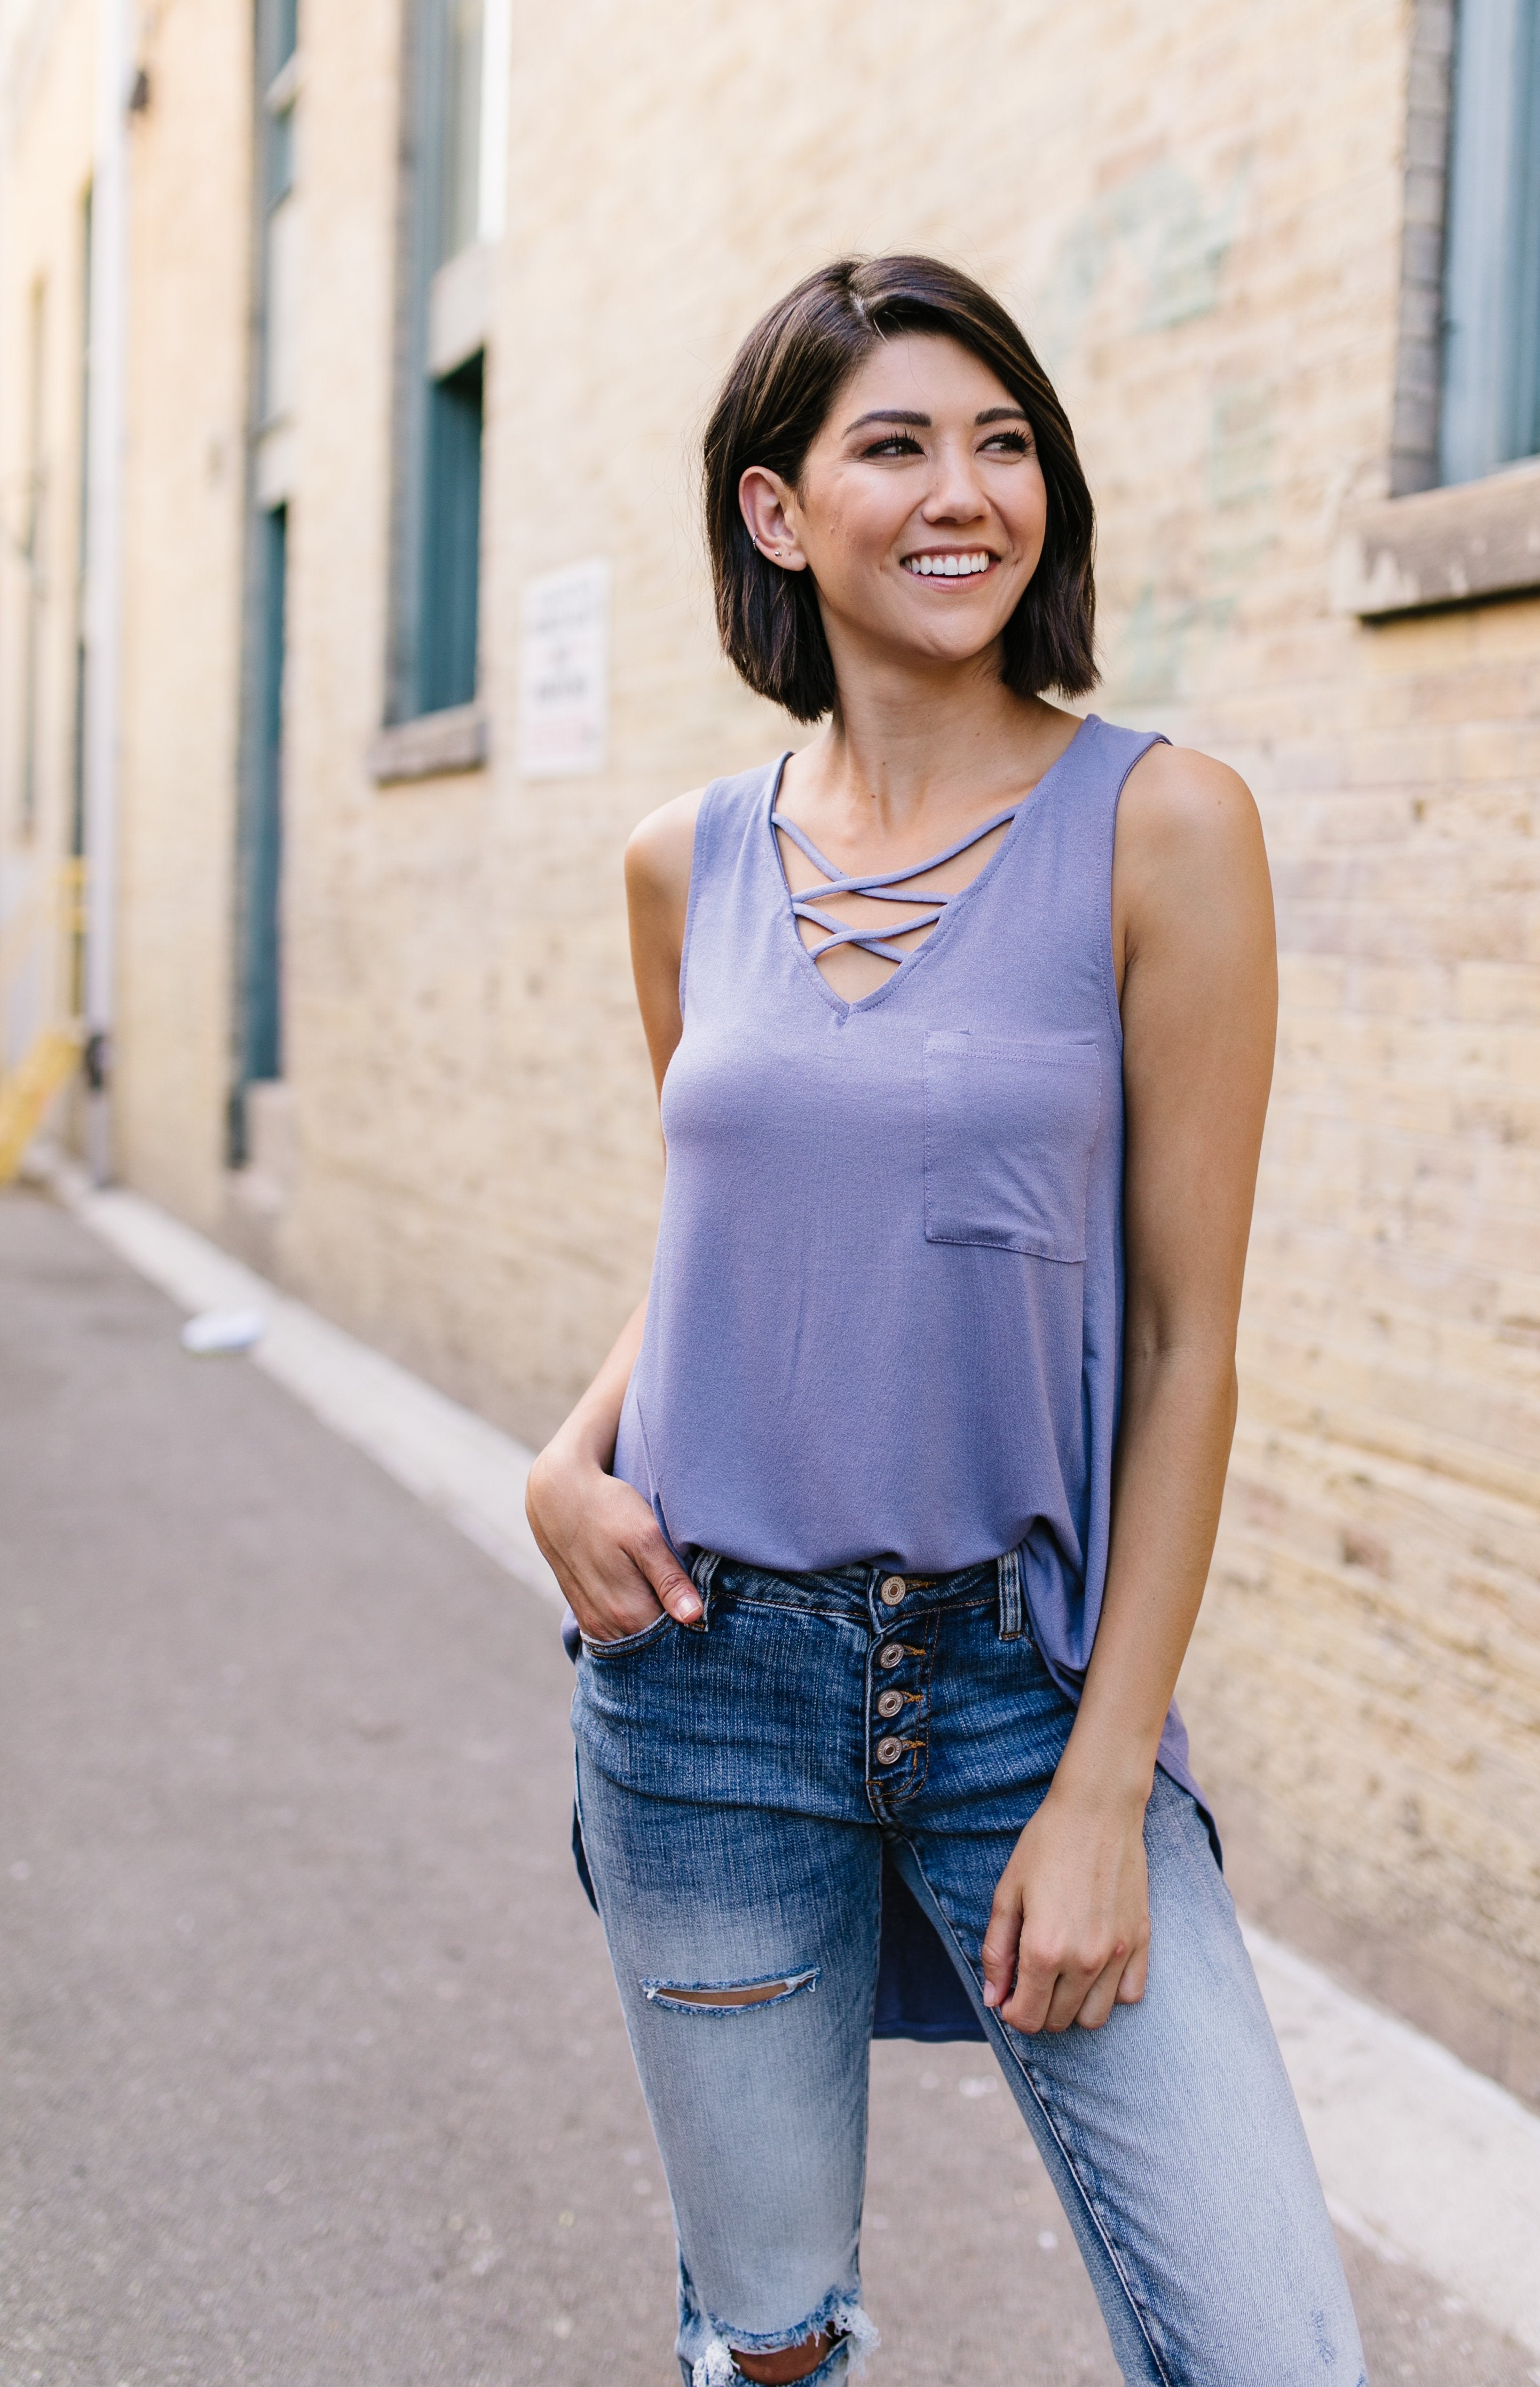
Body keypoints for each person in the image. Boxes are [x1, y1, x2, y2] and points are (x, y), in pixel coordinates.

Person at [526, 254, 1365, 2386]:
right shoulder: (680, 865)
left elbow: (1185, 1342)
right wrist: (571, 1449)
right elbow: (747, 1241)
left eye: (1004, 443)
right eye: (893, 444)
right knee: (775, 2335)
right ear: (777, 512)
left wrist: (1102, 1791)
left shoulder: (1165, 828)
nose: (964, 492)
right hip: (706, 1691)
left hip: (1021, 1685)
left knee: (1273, 2353)